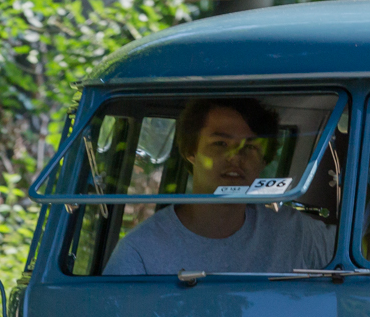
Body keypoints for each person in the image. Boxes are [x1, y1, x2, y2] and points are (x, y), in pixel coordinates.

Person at [105, 98, 336, 276]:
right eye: (220, 143)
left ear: (264, 160)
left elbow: (364, 254)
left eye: (250, 147)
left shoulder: (294, 232)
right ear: (190, 152)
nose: (235, 157)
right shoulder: (140, 253)